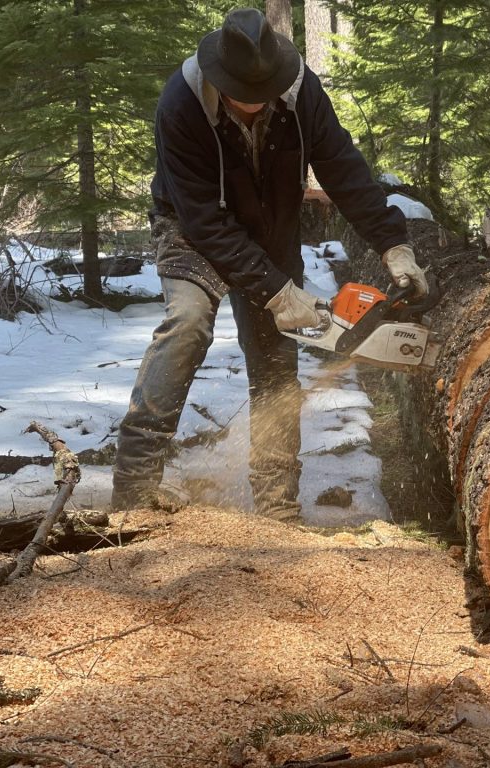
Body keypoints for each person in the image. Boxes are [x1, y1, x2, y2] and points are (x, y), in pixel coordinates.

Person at [111, 8, 427, 521]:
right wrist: (278, 291)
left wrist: (393, 244)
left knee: (275, 359)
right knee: (188, 322)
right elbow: (203, 220)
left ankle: (278, 506)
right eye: (244, 92)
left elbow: (343, 168)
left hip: (272, 226)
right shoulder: (181, 104)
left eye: (264, 90)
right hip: (192, 228)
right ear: (220, 77)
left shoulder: (303, 93)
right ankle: (134, 490)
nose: (257, 101)